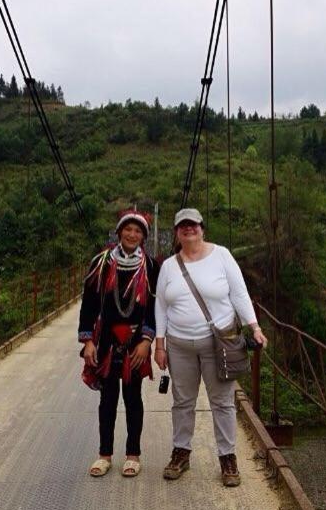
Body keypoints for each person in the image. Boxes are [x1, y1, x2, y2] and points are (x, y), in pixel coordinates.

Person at [154, 208, 268, 487]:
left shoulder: (221, 255)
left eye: (193, 225)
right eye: (183, 226)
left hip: (217, 345)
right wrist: (160, 344)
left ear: (202, 229)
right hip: (179, 345)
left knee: (222, 402)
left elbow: (239, 293)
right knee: (182, 401)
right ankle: (181, 452)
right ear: (177, 233)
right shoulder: (169, 265)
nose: (188, 230)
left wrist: (254, 327)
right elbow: (160, 306)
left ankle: (227, 457)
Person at [78, 210, 160, 478]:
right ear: (119, 232)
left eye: (138, 231)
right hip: (107, 343)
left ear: (143, 237)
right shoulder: (101, 264)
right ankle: (105, 455)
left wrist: (147, 340)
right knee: (107, 399)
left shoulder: (149, 267)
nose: (132, 234)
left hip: (136, 345)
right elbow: (89, 305)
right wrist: (88, 341)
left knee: (133, 398)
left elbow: (154, 307)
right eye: (128, 229)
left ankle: (133, 455)